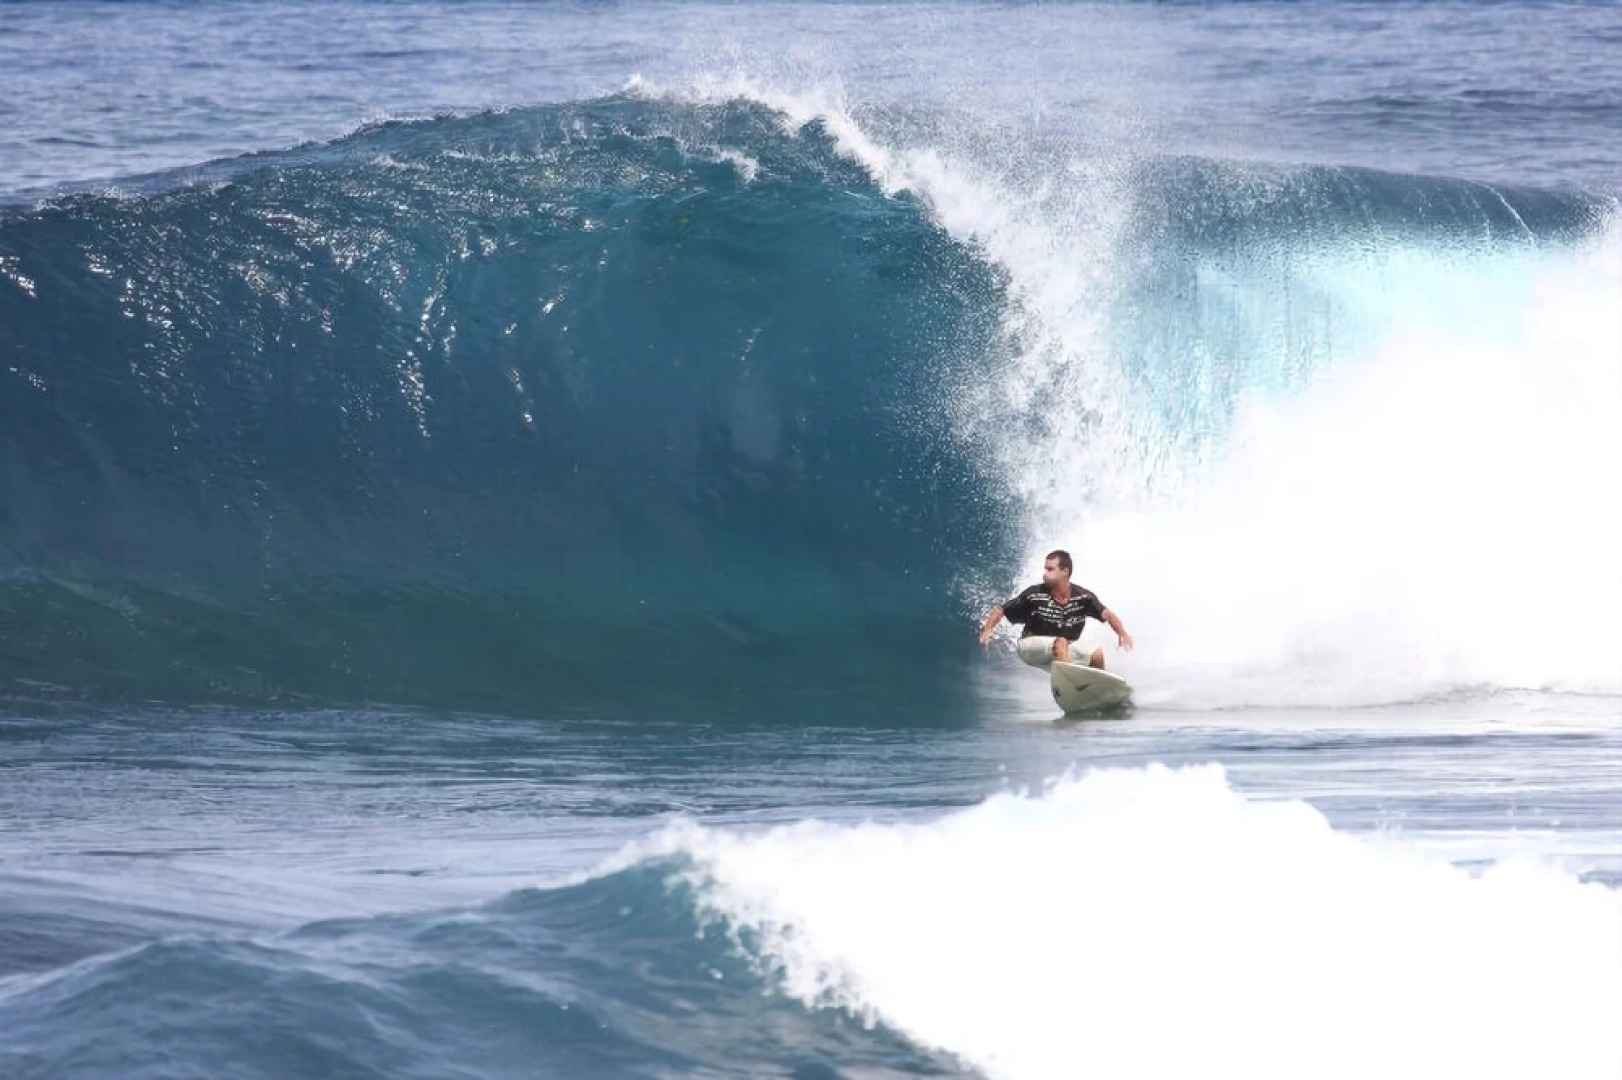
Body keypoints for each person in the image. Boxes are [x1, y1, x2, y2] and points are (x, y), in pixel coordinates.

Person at [977, 549, 1134, 670]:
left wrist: (1123, 634)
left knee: (1096, 655)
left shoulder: (1083, 597)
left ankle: (1096, 692)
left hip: (1062, 649)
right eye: (1045, 569)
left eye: (1050, 569)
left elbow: (1108, 615)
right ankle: (1066, 684)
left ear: (1065, 571)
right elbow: (1000, 610)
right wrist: (988, 630)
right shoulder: (1034, 594)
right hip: (1030, 646)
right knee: (1061, 642)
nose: (1044, 574)